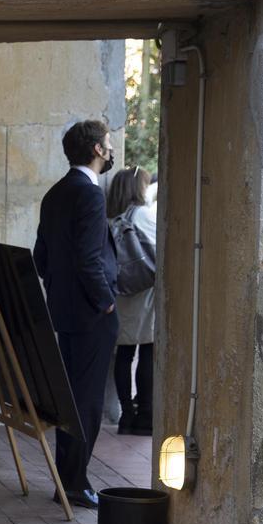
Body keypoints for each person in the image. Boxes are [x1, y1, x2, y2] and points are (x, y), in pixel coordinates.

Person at [33, 119, 119, 510]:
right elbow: (89, 260)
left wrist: (62, 289)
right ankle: (74, 483)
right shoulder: (89, 194)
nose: (111, 147)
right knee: (87, 404)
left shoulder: (54, 194)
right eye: (108, 142)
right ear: (97, 150)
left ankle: (66, 481)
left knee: (70, 400)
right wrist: (106, 300)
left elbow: (41, 258)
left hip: (63, 312)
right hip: (90, 314)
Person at [106, 166, 156, 436]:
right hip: (145, 293)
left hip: (122, 293)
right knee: (148, 349)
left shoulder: (111, 219)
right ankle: (145, 414)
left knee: (124, 354)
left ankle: (126, 414)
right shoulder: (144, 215)